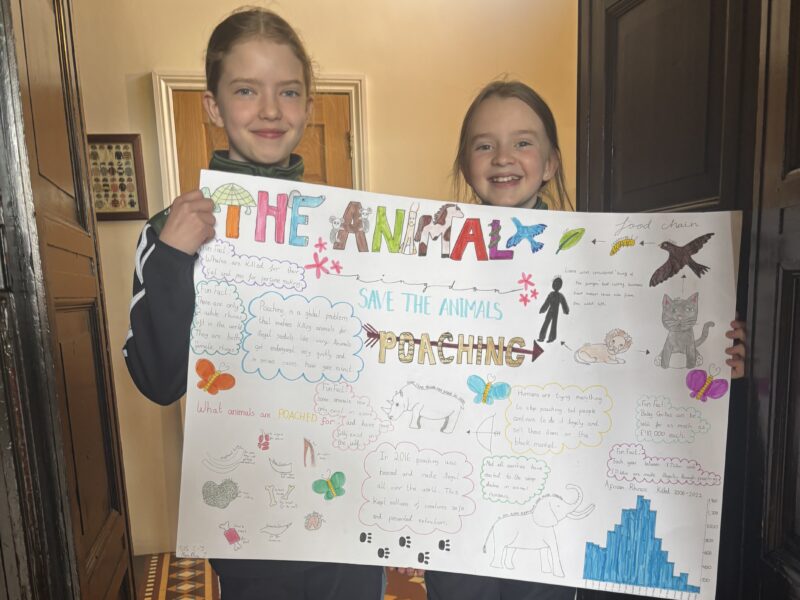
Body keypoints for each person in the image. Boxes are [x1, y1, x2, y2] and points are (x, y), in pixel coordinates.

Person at [421, 80, 747, 599]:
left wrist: (713, 356)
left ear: (550, 163)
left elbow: (637, 356)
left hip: (559, 498)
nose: (504, 157)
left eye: (523, 142)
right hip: (468, 507)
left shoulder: (601, 263)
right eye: (485, 144)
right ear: (465, 163)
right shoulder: (429, 259)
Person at [122, 8, 383, 599]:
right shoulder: (171, 231)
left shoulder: (348, 227)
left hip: (349, 506)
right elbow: (158, 381)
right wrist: (170, 259)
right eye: (246, 91)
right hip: (252, 517)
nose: (270, 110)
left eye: (288, 92)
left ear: (309, 106)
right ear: (213, 106)